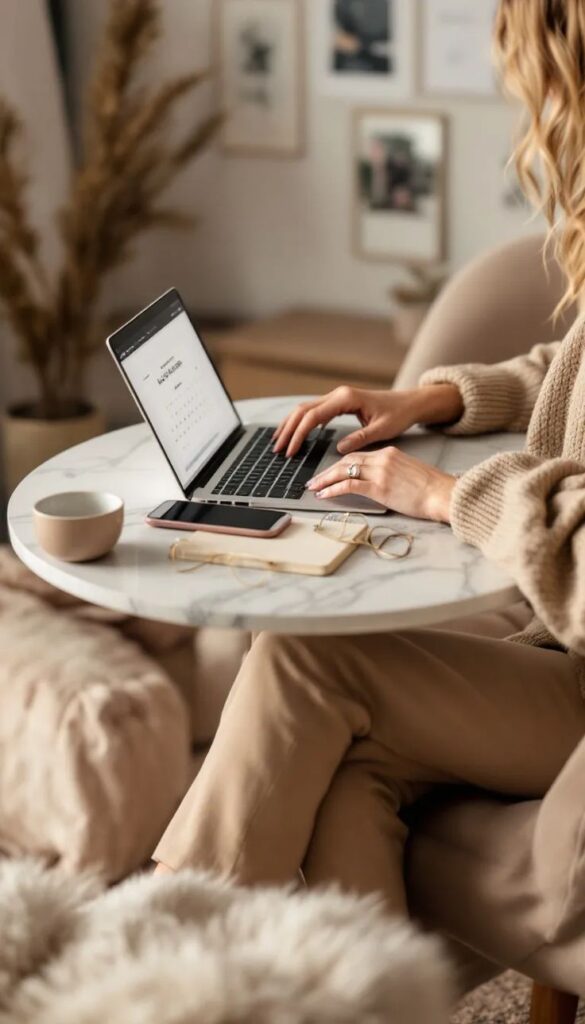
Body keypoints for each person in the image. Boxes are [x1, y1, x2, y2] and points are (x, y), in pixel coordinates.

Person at [153, 0, 585, 915]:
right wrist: (434, 398)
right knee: (350, 773)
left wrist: (448, 495)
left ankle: (162, 953)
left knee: (309, 663)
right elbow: (568, 370)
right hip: (549, 641)